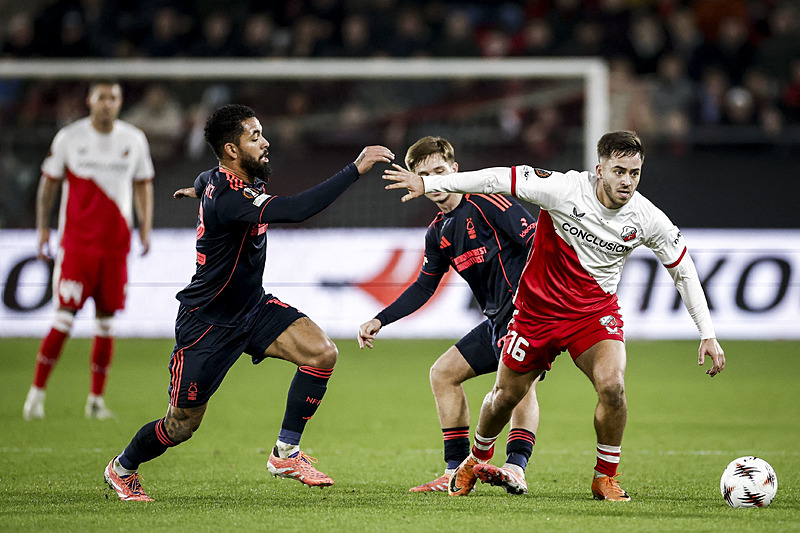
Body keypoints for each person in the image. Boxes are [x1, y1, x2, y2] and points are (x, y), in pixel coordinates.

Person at [384, 130, 725, 500]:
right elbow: (496, 178)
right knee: (503, 397)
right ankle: (473, 460)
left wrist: (707, 332)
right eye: (619, 171)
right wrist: (433, 182)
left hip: (593, 314)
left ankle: (604, 477)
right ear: (600, 170)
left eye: (634, 173)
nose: (627, 181)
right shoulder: (563, 189)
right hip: (536, 313)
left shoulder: (647, 217)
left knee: (613, 385)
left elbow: (683, 269)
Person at [103, 104, 393, 501]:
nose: (265, 141)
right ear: (231, 150)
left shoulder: (219, 181)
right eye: (254, 137)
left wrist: (198, 190)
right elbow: (297, 210)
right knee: (181, 425)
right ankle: (123, 467)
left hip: (252, 309)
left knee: (321, 352)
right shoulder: (230, 197)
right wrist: (355, 169)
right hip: (207, 322)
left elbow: (205, 178)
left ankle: (286, 452)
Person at [358, 136, 542, 494]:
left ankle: (515, 467)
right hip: (495, 321)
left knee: (519, 385)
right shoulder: (438, 232)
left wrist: (531, 296)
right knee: (443, 374)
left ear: (455, 170)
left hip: (527, 314)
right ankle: (456, 470)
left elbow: (536, 241)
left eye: (440, 171)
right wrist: (381, 318)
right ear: (417, 181)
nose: (436, 181)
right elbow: (424, 287)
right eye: (426, 175)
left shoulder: (489, 202)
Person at [23, 80, 154, 421]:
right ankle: (36, 396)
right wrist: (42, 228)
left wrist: (145, 226)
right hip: (78, 246)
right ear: (89, 101)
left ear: (121, 102)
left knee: (106, 323)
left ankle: (95, 402)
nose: (107, 104)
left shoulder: (134, 139)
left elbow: (143, 184)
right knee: (64, 318)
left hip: (115, 247)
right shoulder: (70, 138)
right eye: (101, 97)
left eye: (113, 98)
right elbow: (48, 184)